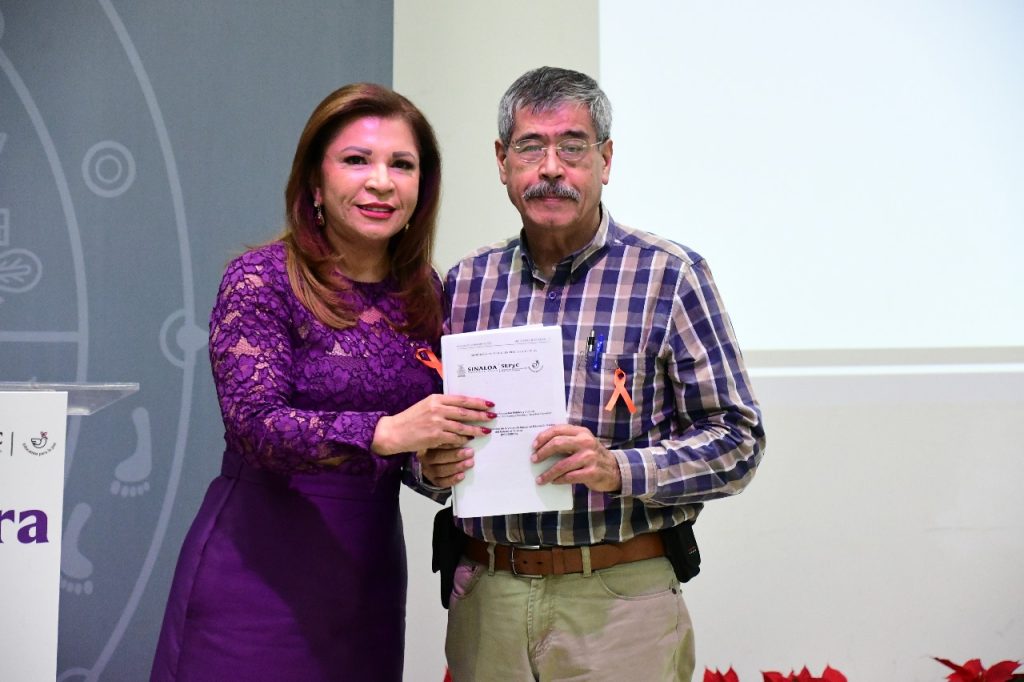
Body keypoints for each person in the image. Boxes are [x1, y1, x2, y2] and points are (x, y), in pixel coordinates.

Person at [420, 66, 766, 681]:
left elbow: (738, 441)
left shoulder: (668, 276)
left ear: (605, 160)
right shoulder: (466, 283)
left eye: (573, 147)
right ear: (502, 162)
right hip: (488, 598)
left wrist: (618, 468)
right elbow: (423, 432)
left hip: (618, 598)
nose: (551, 168)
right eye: (530, 147)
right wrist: (428, 467)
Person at [150, 83, 492, 682]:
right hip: (256, 572)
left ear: (422, 187)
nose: (381, 182)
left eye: (402, 165)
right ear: (315, 181)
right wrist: (386, 433)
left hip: (367, 578)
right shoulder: (261, 279)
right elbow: (255, 426)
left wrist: (433, 468)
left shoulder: (425, 294)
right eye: (356, 160)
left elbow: (412, 446)